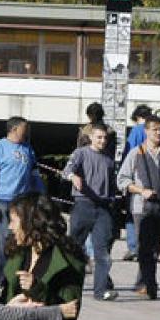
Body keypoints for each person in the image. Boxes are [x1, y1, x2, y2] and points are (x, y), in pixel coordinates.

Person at [118, 114, 160, 300]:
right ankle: (149, 284)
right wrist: (141, 190)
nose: (158, 133)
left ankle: (143, 282)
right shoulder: (136, 153)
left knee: (152, 247)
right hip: (142, 208)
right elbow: (122, 180)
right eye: (154, 129)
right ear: (146, 131)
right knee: (146, 247)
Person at [0, 117, 44, 290]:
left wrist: (42, 197)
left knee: (24, 241)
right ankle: (5, 280)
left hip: (23, 203)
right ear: (14, 129)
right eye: (24, 128)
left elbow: (35, 176)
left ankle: (20, 277)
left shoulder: (28, 149)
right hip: (3, 201)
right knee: (4, 242)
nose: (27, 131)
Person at [62, 123, 119, 300]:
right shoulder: (81, 153)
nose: (102, 141)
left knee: (103, 252)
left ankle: (101, 291)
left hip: (102, 207)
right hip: (83, 205)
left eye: (104, 138)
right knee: (75, 248)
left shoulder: (109, 160)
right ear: (91, 137)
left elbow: (111, 186)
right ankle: (67, 286)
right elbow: (67, 170)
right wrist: (73, 177)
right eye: (99, 137)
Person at [121, 104, 160, 260]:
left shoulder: (137, 131)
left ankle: (134, 248)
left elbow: (128, 154)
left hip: (138, 181)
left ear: (138, 117)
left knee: (133, 214)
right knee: (155, 217)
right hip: (157, 183)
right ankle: (154, 249)